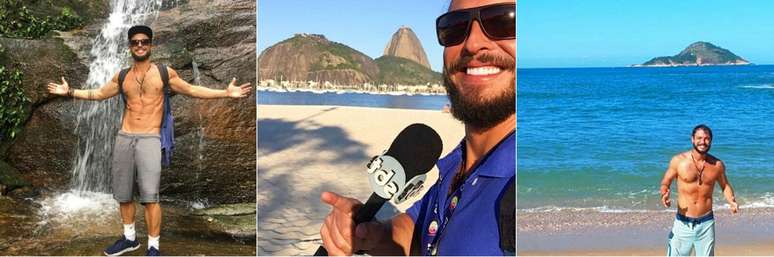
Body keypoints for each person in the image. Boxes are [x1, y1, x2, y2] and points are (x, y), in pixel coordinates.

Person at [318, 0, 515, 255]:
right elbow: (420, 227)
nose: (472, 43)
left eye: (504, 20)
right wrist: (377, 237)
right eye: (455, 28)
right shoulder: (456, 163)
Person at [46, 25, 251, 256]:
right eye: (135, 42)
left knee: (150, 197)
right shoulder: (122, 76)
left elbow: (192, 90)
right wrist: (70, 91)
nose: (140, 45)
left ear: (151, 45)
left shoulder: (165, 73)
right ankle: (129, 239)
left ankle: (153, 247)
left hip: (150, 139)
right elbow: (99, 94)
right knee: (123, 194)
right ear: (129, 47)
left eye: (144, 41)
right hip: (124, 137)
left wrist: (225, 93)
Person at [660, 124, 739, 256]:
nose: (703, 142)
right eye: (699, 138)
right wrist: (664, 193)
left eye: (707, 138)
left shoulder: (717, 165)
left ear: (711, 141)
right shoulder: (678, 161)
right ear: (692, 139)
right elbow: (665, 181)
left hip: (706, 223)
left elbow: (725, 185)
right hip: (683, 223)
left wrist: (732, 201)